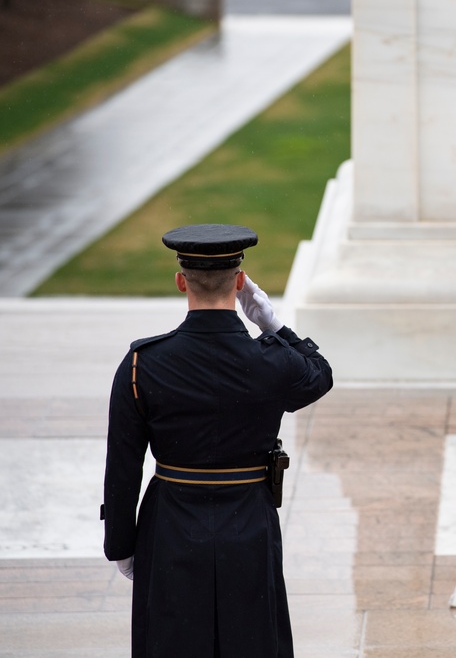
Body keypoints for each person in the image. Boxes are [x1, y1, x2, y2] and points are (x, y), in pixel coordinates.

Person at [102, 224, 334, 657]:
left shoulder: (141, 365)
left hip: (170, 523)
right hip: (248, 521)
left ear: (180, 280)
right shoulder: (274, 360)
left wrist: (120, 543)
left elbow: (122, 464)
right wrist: (272, 322)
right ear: (241, 282)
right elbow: (320, 374)